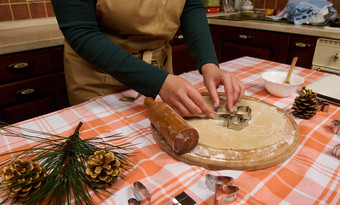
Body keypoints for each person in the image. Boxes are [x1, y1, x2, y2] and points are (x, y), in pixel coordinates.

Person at [52, 0, 245, 118]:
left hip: (161, 74)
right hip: (98, 76)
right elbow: (81, 31)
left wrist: (209, 64)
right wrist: (158, 81)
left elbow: (191, 5)